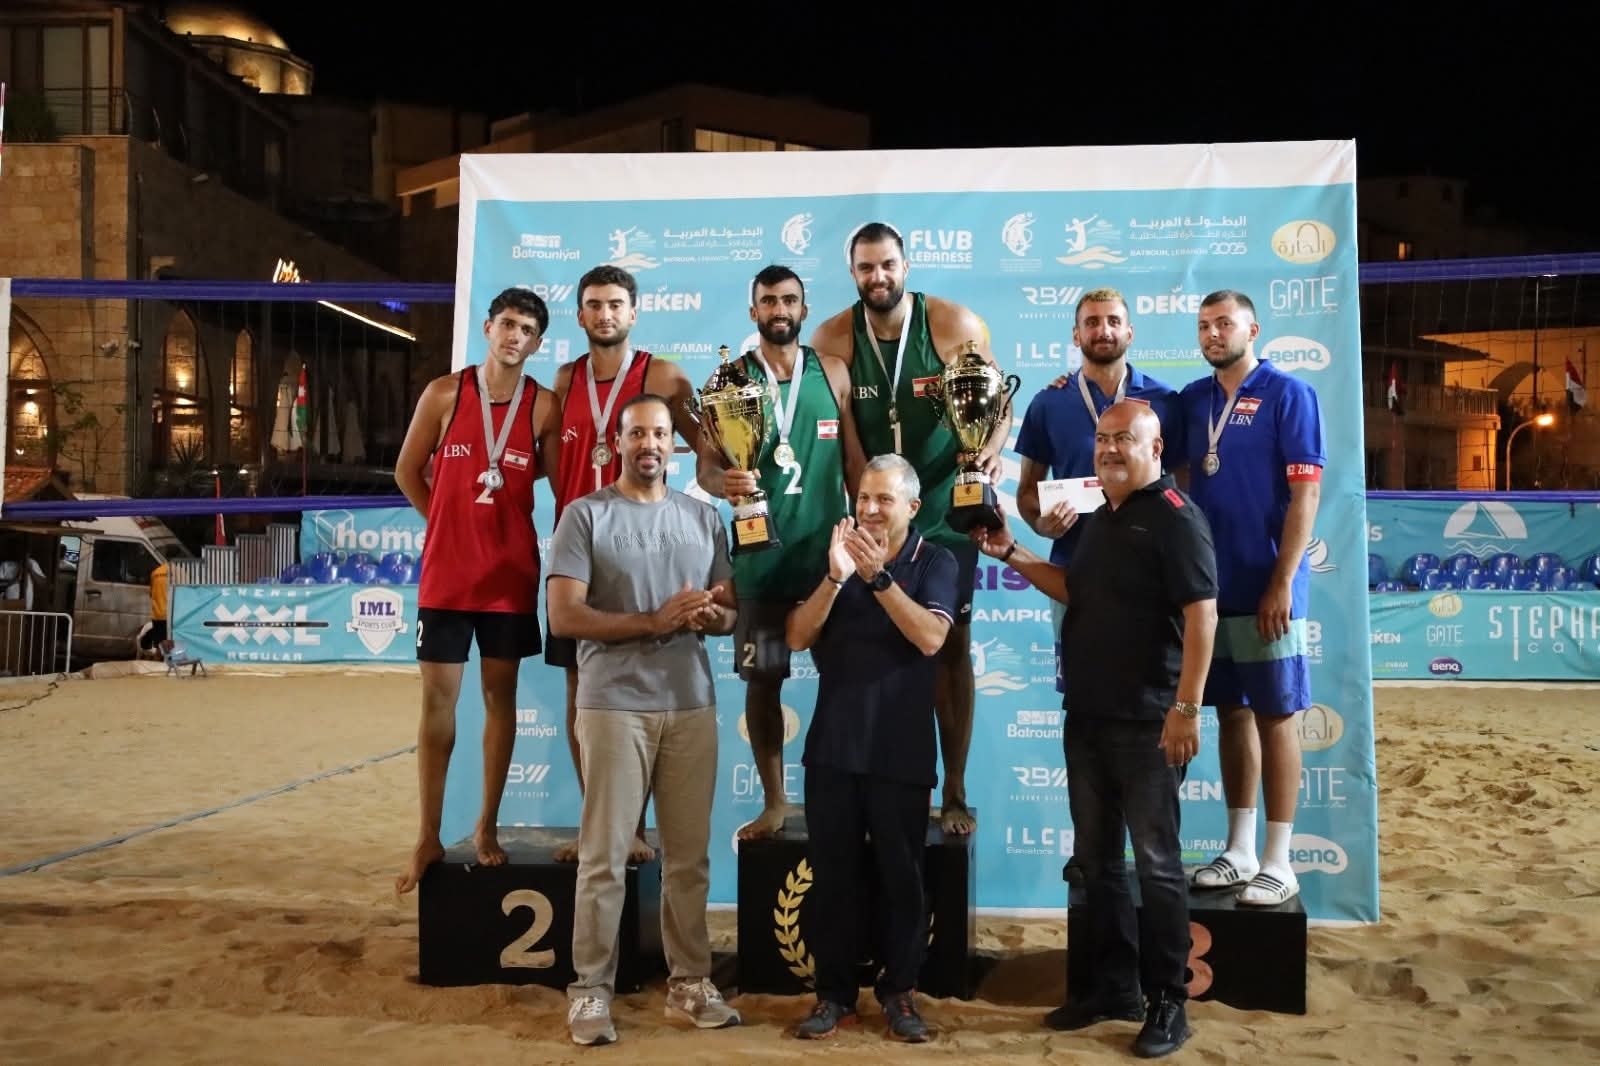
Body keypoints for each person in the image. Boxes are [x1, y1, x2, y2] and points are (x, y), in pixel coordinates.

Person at [972, 400, 1217, 1058]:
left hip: (1149, 722)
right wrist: (1013, 552)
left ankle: (1168, 1002)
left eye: (1124, 439)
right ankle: (1114, 989)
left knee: (1158, 868)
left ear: (1155, 448)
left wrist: (1186, 708)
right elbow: (1076, 590)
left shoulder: (1176, 518)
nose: (1109, 449)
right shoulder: (1099, 517)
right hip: (1087, 715)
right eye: (1103, 438)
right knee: (1099, 863)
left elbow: (1203, 616)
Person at [547, 393, 741, 1046]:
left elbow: (730, 612)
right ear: (617, 442)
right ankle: (590, 990)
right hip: (612, 706)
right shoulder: (585, 516)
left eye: (660, 433)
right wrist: (652, 622)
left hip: (690, 702)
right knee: (604, 859)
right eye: (637, 434)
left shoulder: (703, 517)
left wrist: (714, 617)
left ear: (672, 445)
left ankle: (690, 983)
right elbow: (563, 616)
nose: (650, 444)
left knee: (688, 859)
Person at [809, 222, 1008, 836]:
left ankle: (954, 787)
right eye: (866, 268)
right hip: (874, 509)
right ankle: (861, 776)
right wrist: (862, 504)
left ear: (906, 266)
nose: (879, 277)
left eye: (888, 265)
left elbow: (995, 404)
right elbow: (845, 438)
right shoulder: (832, 337)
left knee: (951, 645)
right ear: (852, 273)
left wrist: (991, 449)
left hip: (945, 506)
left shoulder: (952, 324)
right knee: (860, 641)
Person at [392, 286, 560, 894]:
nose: (515, 336)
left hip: (509, 580)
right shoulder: (444, 393)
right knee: (437, 706)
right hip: (447, 577)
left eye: (527, 330)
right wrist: (444, 522)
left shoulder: (544, 407)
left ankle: (486, 826)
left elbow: (555, 478)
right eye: (508, 324)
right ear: (488, 328)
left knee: (500, 701)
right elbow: (407, 471)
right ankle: (427, 836)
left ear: (537, 344)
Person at [785, 454, 957, 1043]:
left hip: (901, 751)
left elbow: (930, 637)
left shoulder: (936, 560)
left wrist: (879, 578)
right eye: (863, 498)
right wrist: (836, 577)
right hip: (833, 747)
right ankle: (833, 996)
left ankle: (899, 993)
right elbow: (797, 636)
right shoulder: (833, 553)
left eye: (884, 499)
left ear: (913, 506)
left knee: (902, 879)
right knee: (833, 879)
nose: (871, 509)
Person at [697, 264, 865, 840]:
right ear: (754, 312)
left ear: (803, 309)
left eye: (789, 300)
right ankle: (774, 802)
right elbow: (707, 467)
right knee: (763, 682)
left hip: (827, 561)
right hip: (760, 561)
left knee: (845, 682)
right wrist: (725, 483)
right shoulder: (729, 380)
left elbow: (853, 460)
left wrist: (868, 526)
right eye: (768, 301)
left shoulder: (832, 371)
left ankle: (841, 796)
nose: (779, 310)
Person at [548, 264, 701, 865]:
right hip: (581, 552)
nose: (605, 314)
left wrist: (733, 483)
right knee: (580, 692)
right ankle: (603, 824)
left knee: (642, 694)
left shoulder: (662, 375)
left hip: (642, 550)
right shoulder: (565, 379)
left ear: (633, 313)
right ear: (580, 315)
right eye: (594, 304)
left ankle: (634, 828)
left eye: (616, 304)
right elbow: (548, 465)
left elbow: (706, 448)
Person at [1179, 290, 1324, 907]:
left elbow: (1306, 495)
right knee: (1231, 713)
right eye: (1204, 326)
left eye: (1224, 323)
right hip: (1213, 587)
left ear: (1253, 329)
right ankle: (1239, 850)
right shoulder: (1193, 399)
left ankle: (1279, 860)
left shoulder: (1290, 394)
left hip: (1269, 584)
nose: (1213, 334)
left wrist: (1283, 580)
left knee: (1276, 715)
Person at [1015, 286, 1185, 695]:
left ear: (1130, 332)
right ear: (1076, 335)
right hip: (1075, 572)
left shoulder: (1164, 401)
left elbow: (1184, 491)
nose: (1103, 330)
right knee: (1082, 698)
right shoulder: (1048, 403)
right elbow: (1026, 493)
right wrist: (1042, 523)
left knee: (1153, 696)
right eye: (1091, 322)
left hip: (1152, 573)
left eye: (1113, 321)